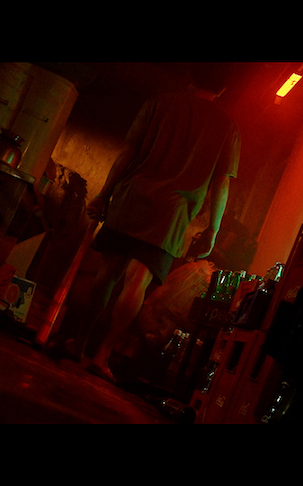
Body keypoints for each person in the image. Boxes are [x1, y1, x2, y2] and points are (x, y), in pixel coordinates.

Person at [49, 63, 241, 384]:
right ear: (222, 89)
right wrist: (213, 229)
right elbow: (222, 182)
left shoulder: (158, 104)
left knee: (106, 275)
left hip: (132, 196)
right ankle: (102, 355)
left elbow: (127, 152)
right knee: (137, 283)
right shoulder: (227, 128)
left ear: (190, 77)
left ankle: (79, 342)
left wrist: (104, 194)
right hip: (172, 214)